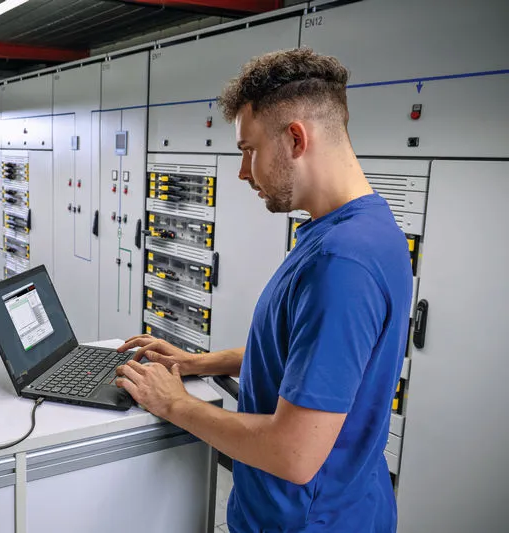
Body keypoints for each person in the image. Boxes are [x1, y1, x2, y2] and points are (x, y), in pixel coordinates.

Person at [115, 48, 413, 532]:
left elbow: (293, 453)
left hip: (305, 521)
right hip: (336, 505)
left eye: (248, 150)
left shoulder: (342, 261)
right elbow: (307, 356)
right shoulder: (360, 229)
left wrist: (174, 403)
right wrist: (196, 364)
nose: (241, 171)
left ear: (296, 138)